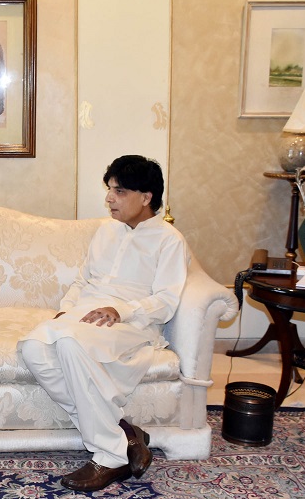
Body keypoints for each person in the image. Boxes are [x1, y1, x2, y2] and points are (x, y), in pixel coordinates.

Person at [18, 155, 189, 492]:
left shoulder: (170, 240)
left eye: (119, 191)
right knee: (33, 347)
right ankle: (122, 430)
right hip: (84, 316)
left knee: (69, 344)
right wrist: (67, 310)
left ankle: (110, 456)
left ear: (146, 197)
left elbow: (167, 301)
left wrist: (122, 310)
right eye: (110, 190)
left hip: (132, 322)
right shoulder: (105, 230)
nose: (110, 198)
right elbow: (83, 280)